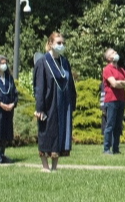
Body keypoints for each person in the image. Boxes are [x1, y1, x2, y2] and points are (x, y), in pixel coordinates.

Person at [34, 32, 76, 172]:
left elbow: (70, 85)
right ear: (50, 44)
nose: (61, 45)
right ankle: (45, 166)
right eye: (58, 43)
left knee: (61, 132)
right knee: (47, 132)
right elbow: (39, 86)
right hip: (49, 103)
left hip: (63, 104)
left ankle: (55, 166)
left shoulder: (64, 62)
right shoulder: (43, 62)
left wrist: (72, 103)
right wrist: (39, 108)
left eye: (63, 43)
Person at [101, 48, 125, 155]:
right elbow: (113, 84)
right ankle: (106, 148)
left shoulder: (121, 70)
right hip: (111, 100)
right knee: (110, 125)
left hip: (121, 99)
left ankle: (116, 148)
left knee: (118, 125)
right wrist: (123, 83)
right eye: (113, 53)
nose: (116, 54)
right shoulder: (107, 69)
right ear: (109, 58)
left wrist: (120, 82)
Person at [0, 54, 19, 164]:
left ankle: (2, 153)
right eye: (2, 63)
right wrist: (0, 103)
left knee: (5, 133)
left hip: (8, 111)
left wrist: (12, 104)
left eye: (5, 63)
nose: (4, 65)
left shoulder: (9, 78)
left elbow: (15, 93)